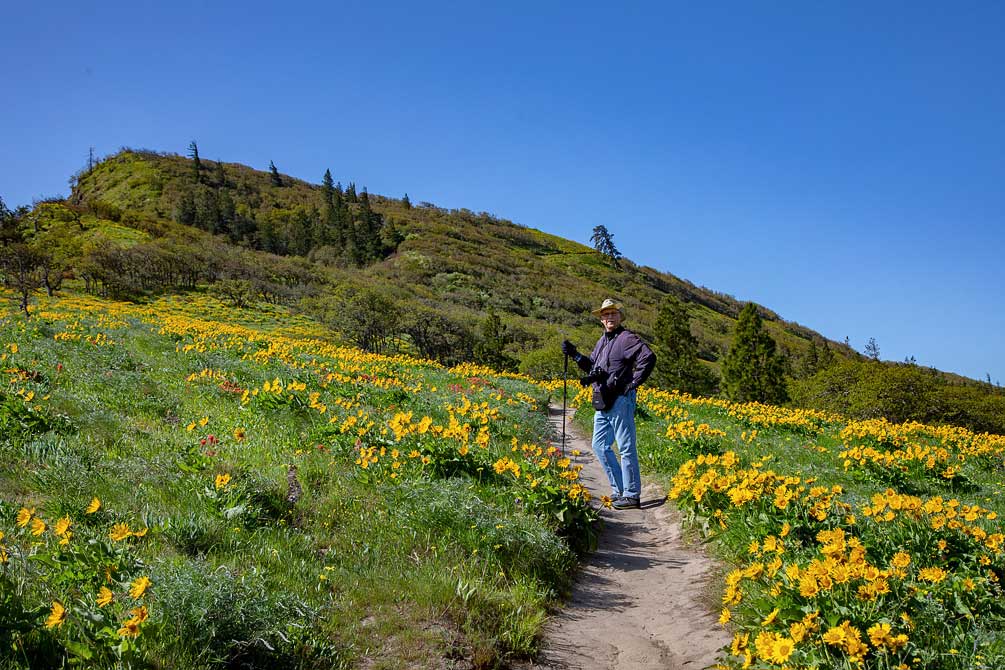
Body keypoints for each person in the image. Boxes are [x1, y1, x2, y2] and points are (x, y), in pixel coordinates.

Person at [562, 298, 656, 510]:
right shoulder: (602, 341)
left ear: (620, 317)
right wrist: (575, 354)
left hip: (621, 399)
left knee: (625, 447)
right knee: (599, 445)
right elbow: (593, 368)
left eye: (613, 313)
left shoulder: (626, 338)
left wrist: (632, 383)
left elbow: (648, 357)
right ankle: (620, 489)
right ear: (601, 320)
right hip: (603, 399)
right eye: (605, 314)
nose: (609, 317)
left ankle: (632, 495)